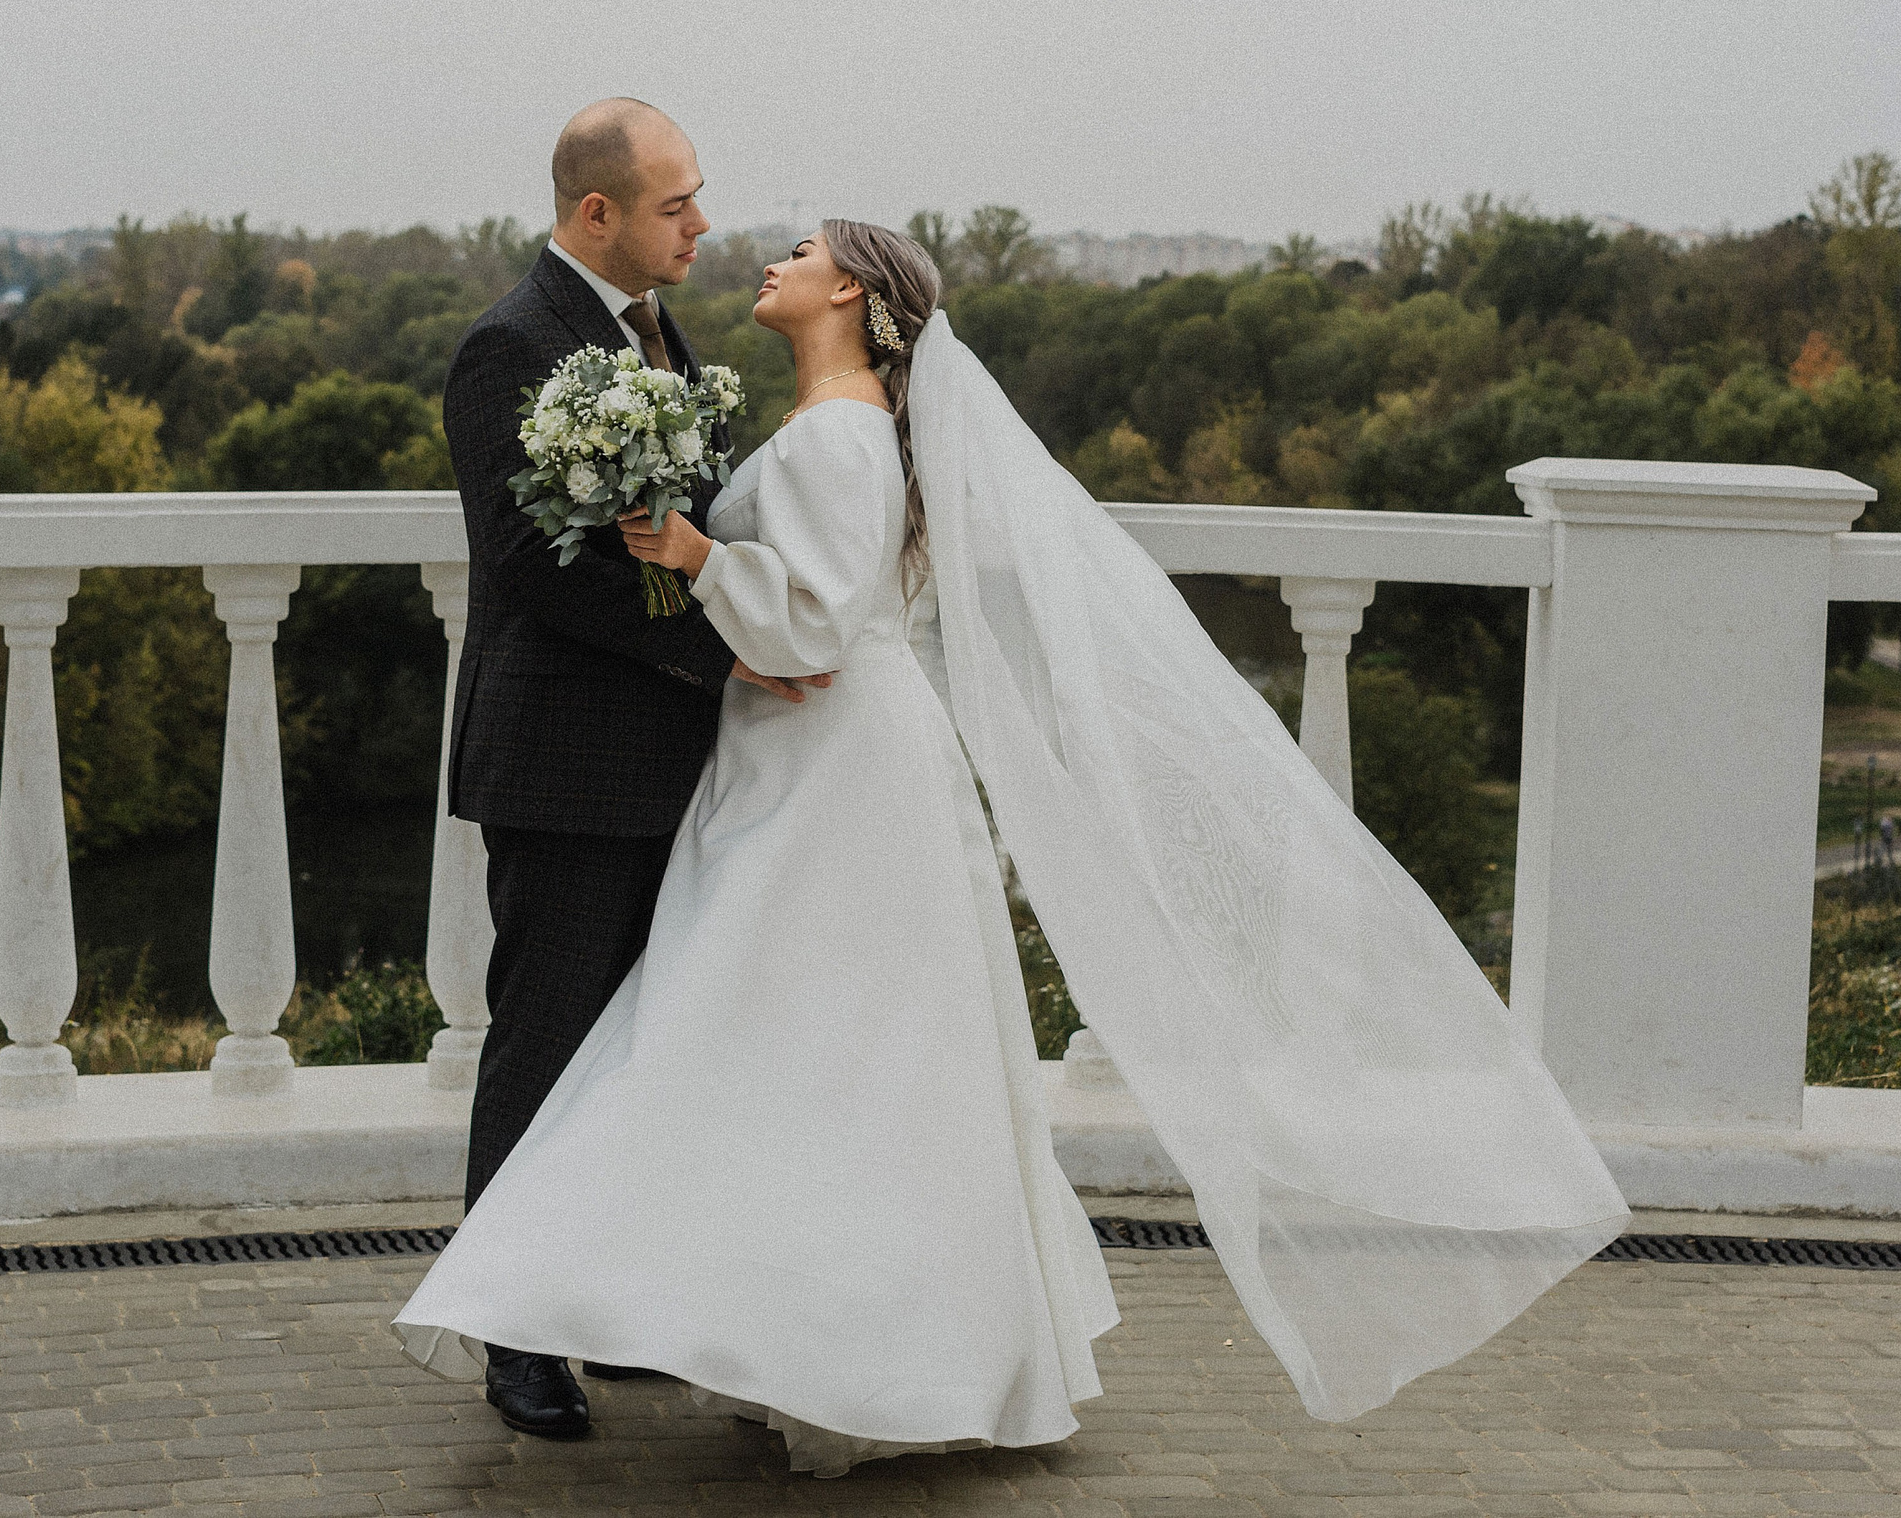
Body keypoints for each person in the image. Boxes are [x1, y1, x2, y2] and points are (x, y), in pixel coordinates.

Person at [398, 216, 1630, 1475]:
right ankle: (740, 1316)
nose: (767, 252)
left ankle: (745, 1321)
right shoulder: (841, 413)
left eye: (807, 249)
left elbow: (814, 626)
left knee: (779, 1042)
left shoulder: (837, 428)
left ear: (855, 294)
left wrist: (698, 552)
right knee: (819, 1052)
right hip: (817, 757)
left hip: (826, 765)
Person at [434, 98, 835, 1440]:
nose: (703, 226)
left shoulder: (658, 337)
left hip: (670, 765)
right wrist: (726, 658)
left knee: (637, 1051)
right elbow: (542, 576)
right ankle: (514, 1335)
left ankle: (604, 1304)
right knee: (544, 1044)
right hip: (563, 762)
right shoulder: (510, 347)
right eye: (678, 205)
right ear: (596, 213)